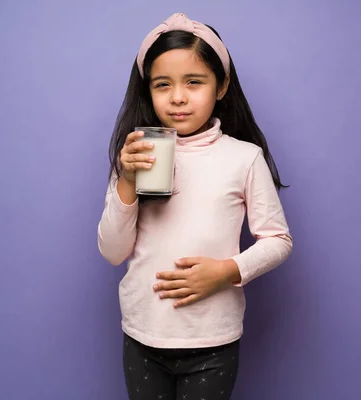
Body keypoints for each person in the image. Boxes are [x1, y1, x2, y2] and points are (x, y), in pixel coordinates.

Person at [96, 12, 293, 400]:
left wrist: (226, 271)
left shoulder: (244, 158)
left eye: (194, 82)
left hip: (213, 339)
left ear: (221, 86)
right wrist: (127, 182)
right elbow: (112, 252)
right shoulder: (135, 157)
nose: (178, 97)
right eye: (162, 84)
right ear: (147, 91)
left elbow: (279, 240)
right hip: (142, 333)